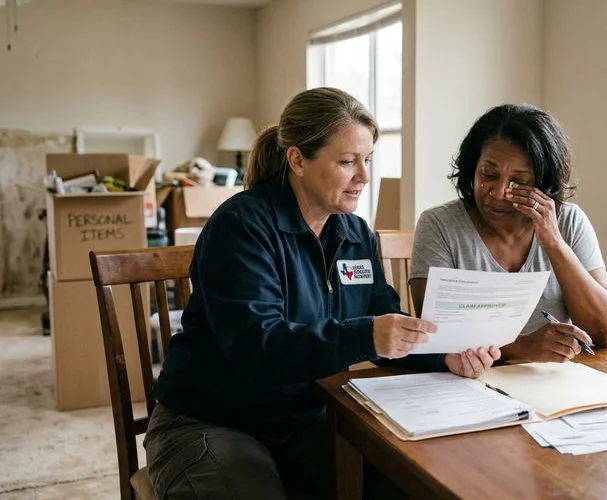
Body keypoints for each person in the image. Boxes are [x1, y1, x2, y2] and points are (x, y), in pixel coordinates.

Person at [144, 88, 495, 499]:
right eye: (347, 162)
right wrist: (366, 335)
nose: (363, 176)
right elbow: (258, 347)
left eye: (367, 160)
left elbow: (388, 323)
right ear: (297, 160)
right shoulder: (241, 227)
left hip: (307, 419)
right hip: (211, 422)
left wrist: (443, 354)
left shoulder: (354, 233)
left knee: (416, 483)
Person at [410, 104, 607, 365]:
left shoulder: (569, 221)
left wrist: (554, 242)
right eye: (488, 174)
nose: (498, 193)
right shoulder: (439, 225)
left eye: (519, 181)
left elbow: (604, 333)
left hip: (555, 384)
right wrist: (521, 348)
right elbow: (436, 340)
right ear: (472, 168)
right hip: (466, 386)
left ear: (544, 183)